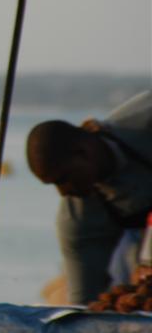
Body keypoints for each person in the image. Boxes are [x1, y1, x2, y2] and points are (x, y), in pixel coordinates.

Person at [26, 90, 152, 304]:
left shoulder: (144, 119)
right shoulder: (77, 221)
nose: (63, 193)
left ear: (83, 152)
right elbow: (83, 305)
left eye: (63, 179)